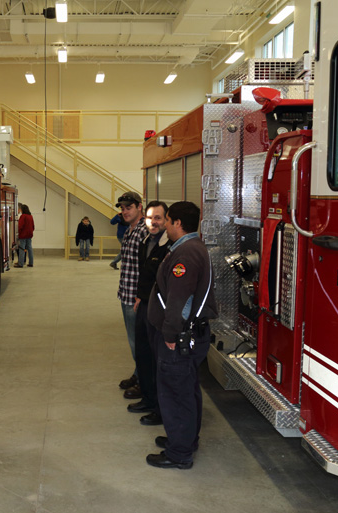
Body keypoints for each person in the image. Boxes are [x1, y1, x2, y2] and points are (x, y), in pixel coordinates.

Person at [146, 201, 218, 469]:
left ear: (177, 223)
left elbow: (180, 300)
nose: (163, 224)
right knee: (187, 389)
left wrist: (170, 334)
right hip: (189, 335)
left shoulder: (186, 254)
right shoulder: (190, 248)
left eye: (167, 220)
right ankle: (185, 439)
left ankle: (179, 453)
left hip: (180, 337)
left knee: (176, 394)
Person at [126, 201, 171, 427]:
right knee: (143, 353)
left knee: (156, 359)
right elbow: (145, 275)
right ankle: (148, 398)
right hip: (144, 304)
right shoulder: (146, 242)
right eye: (150, 218)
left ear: (166, 221)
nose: (153, 222)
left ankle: (159, 408)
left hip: (159, 309)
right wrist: (139, 297)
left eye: (158, 218)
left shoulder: (169, 246)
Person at [116, 191, 148, 399]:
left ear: (139, 207)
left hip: (136, 298)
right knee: (133, 340)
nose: (124, 211)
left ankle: (145, 383)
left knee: (140, 342)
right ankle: (139, 374)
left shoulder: (145, 231)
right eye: (122, 208)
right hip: (126, 294)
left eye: (129, 207)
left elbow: (147, 267)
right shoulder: (130, 230)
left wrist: (141, 296)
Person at [15, 204, 34, 268]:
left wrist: (18, 233)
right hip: (29, 235)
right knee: (30, 249)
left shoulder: (23, 216)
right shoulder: (30, 216)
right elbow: (33, 226)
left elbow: (20, 226)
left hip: (23, 235)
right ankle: (31, 263)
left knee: (22, 249)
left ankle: (21, 263)